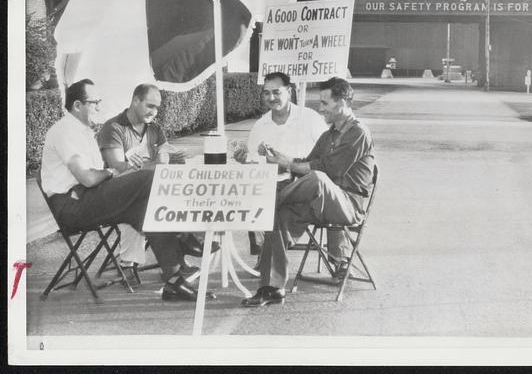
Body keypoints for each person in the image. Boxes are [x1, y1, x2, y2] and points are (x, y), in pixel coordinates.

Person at [40, 79, 210, 301]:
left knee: (150, 209)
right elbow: (89, 178)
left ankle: (174, 280)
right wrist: (111, 172)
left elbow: (95, 177)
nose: (99, 107)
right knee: (149, 177)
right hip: (72, 205)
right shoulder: (64, 132)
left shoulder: (83, 131)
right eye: (94, 102)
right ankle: (190, 236)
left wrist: (110, 173)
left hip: (87, 197)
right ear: (77, 106)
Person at [242, 76, 375, 308]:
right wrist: (281, 160)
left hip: (347, 205)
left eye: (325, 103)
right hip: (320, 202)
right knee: (279, 216)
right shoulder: (328, 135)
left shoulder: (358, 132)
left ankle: (267, 200)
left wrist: (290, 165)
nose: (320, 108)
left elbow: (327, 169)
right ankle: (271, 288)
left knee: (315, 179)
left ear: (342, 102)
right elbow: (307, 161)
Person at [97, 83, 213, 278]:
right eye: (150, 105)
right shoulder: (114, 127)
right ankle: (128, 265)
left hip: (150, 187)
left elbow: (167, 151)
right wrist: (156, 162)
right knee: (139, 207)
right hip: (116, 192)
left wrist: (172, 156)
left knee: (175, 198)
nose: (154, 111)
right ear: (135, 100)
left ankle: (179, 255)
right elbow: (117, 167)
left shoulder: (154, 128)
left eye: (157, 107)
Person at [232, 72, 327, 261]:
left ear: (289, 91)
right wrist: (246, 159)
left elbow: (325, 158)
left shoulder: (309, 118)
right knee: (248, 193)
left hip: (304, 184)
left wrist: (288, 163)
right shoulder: (261, 125)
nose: (271, 98)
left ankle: (267, 251)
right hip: (272, 184)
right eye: (266, 93)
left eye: (276, 92)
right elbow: (253, 166)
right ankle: (264, 250)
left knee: (267, 200)